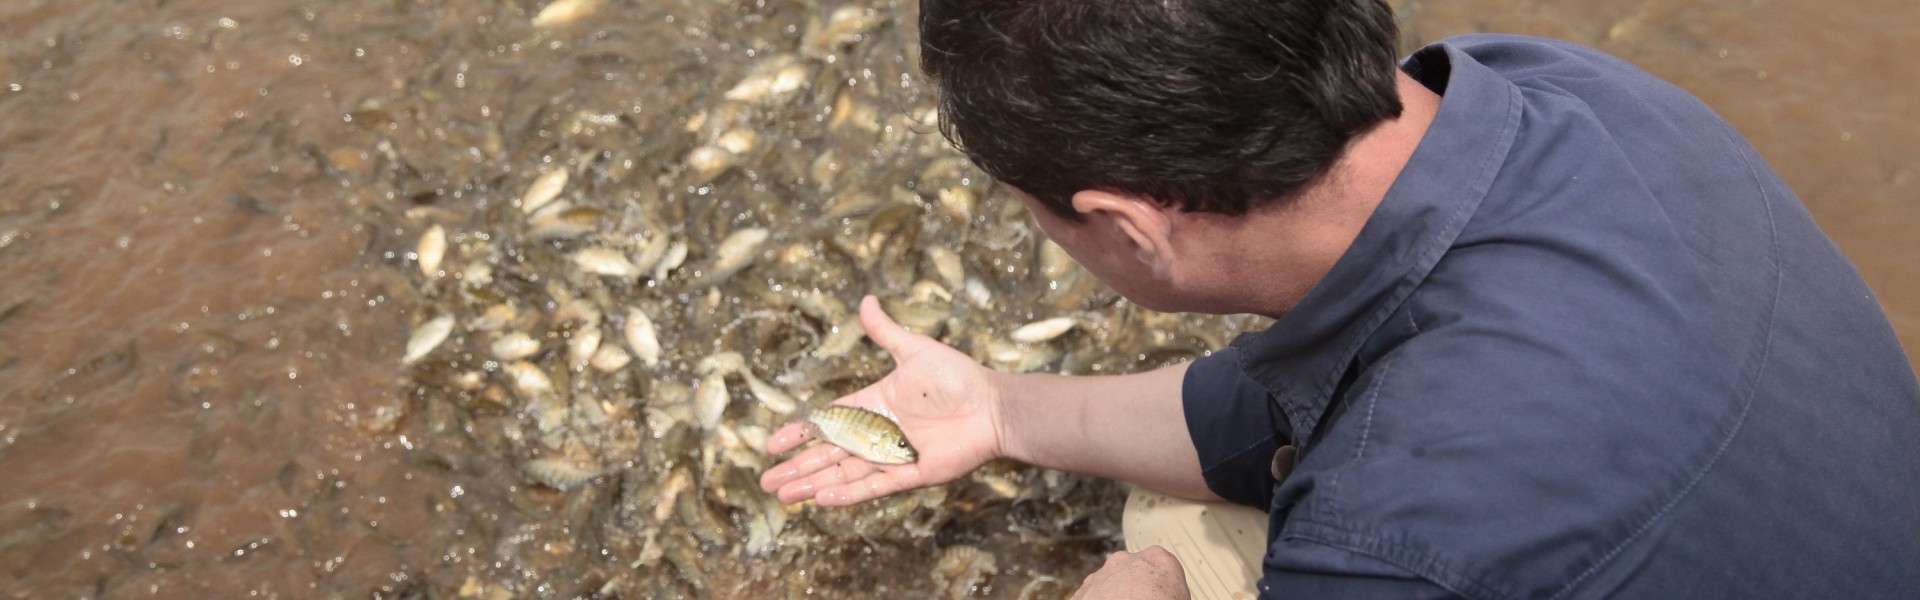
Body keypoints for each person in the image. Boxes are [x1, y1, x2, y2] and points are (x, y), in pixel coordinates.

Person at [760, 0, 1920, 598]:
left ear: (1124, 224)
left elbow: (1400, 494)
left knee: (1160, 541)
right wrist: (1001, 411)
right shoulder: (1551, 88)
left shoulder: (1393, 534)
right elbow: (1298, 395)